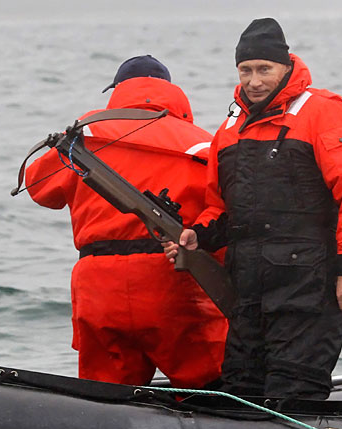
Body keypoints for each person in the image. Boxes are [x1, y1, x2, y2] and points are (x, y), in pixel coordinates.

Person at [164, 18, 342, 399]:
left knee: (294, 392)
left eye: (264, 69)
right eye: (245, 70)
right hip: (248, 295)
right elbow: (220, 207)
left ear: (286, 66)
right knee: (240, 391)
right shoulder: (229, 129)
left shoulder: (323, 112)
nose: (254, 81)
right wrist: (199, 235)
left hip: (308, 292)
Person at [24, 55, 227, 388]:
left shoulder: (83, 136)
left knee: (105, 396)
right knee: (209, 391)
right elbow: (222, 214)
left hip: (98, 286)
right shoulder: (204, 144)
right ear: (172, 92)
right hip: (173, 278)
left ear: (117, 91)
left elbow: (39, 188)